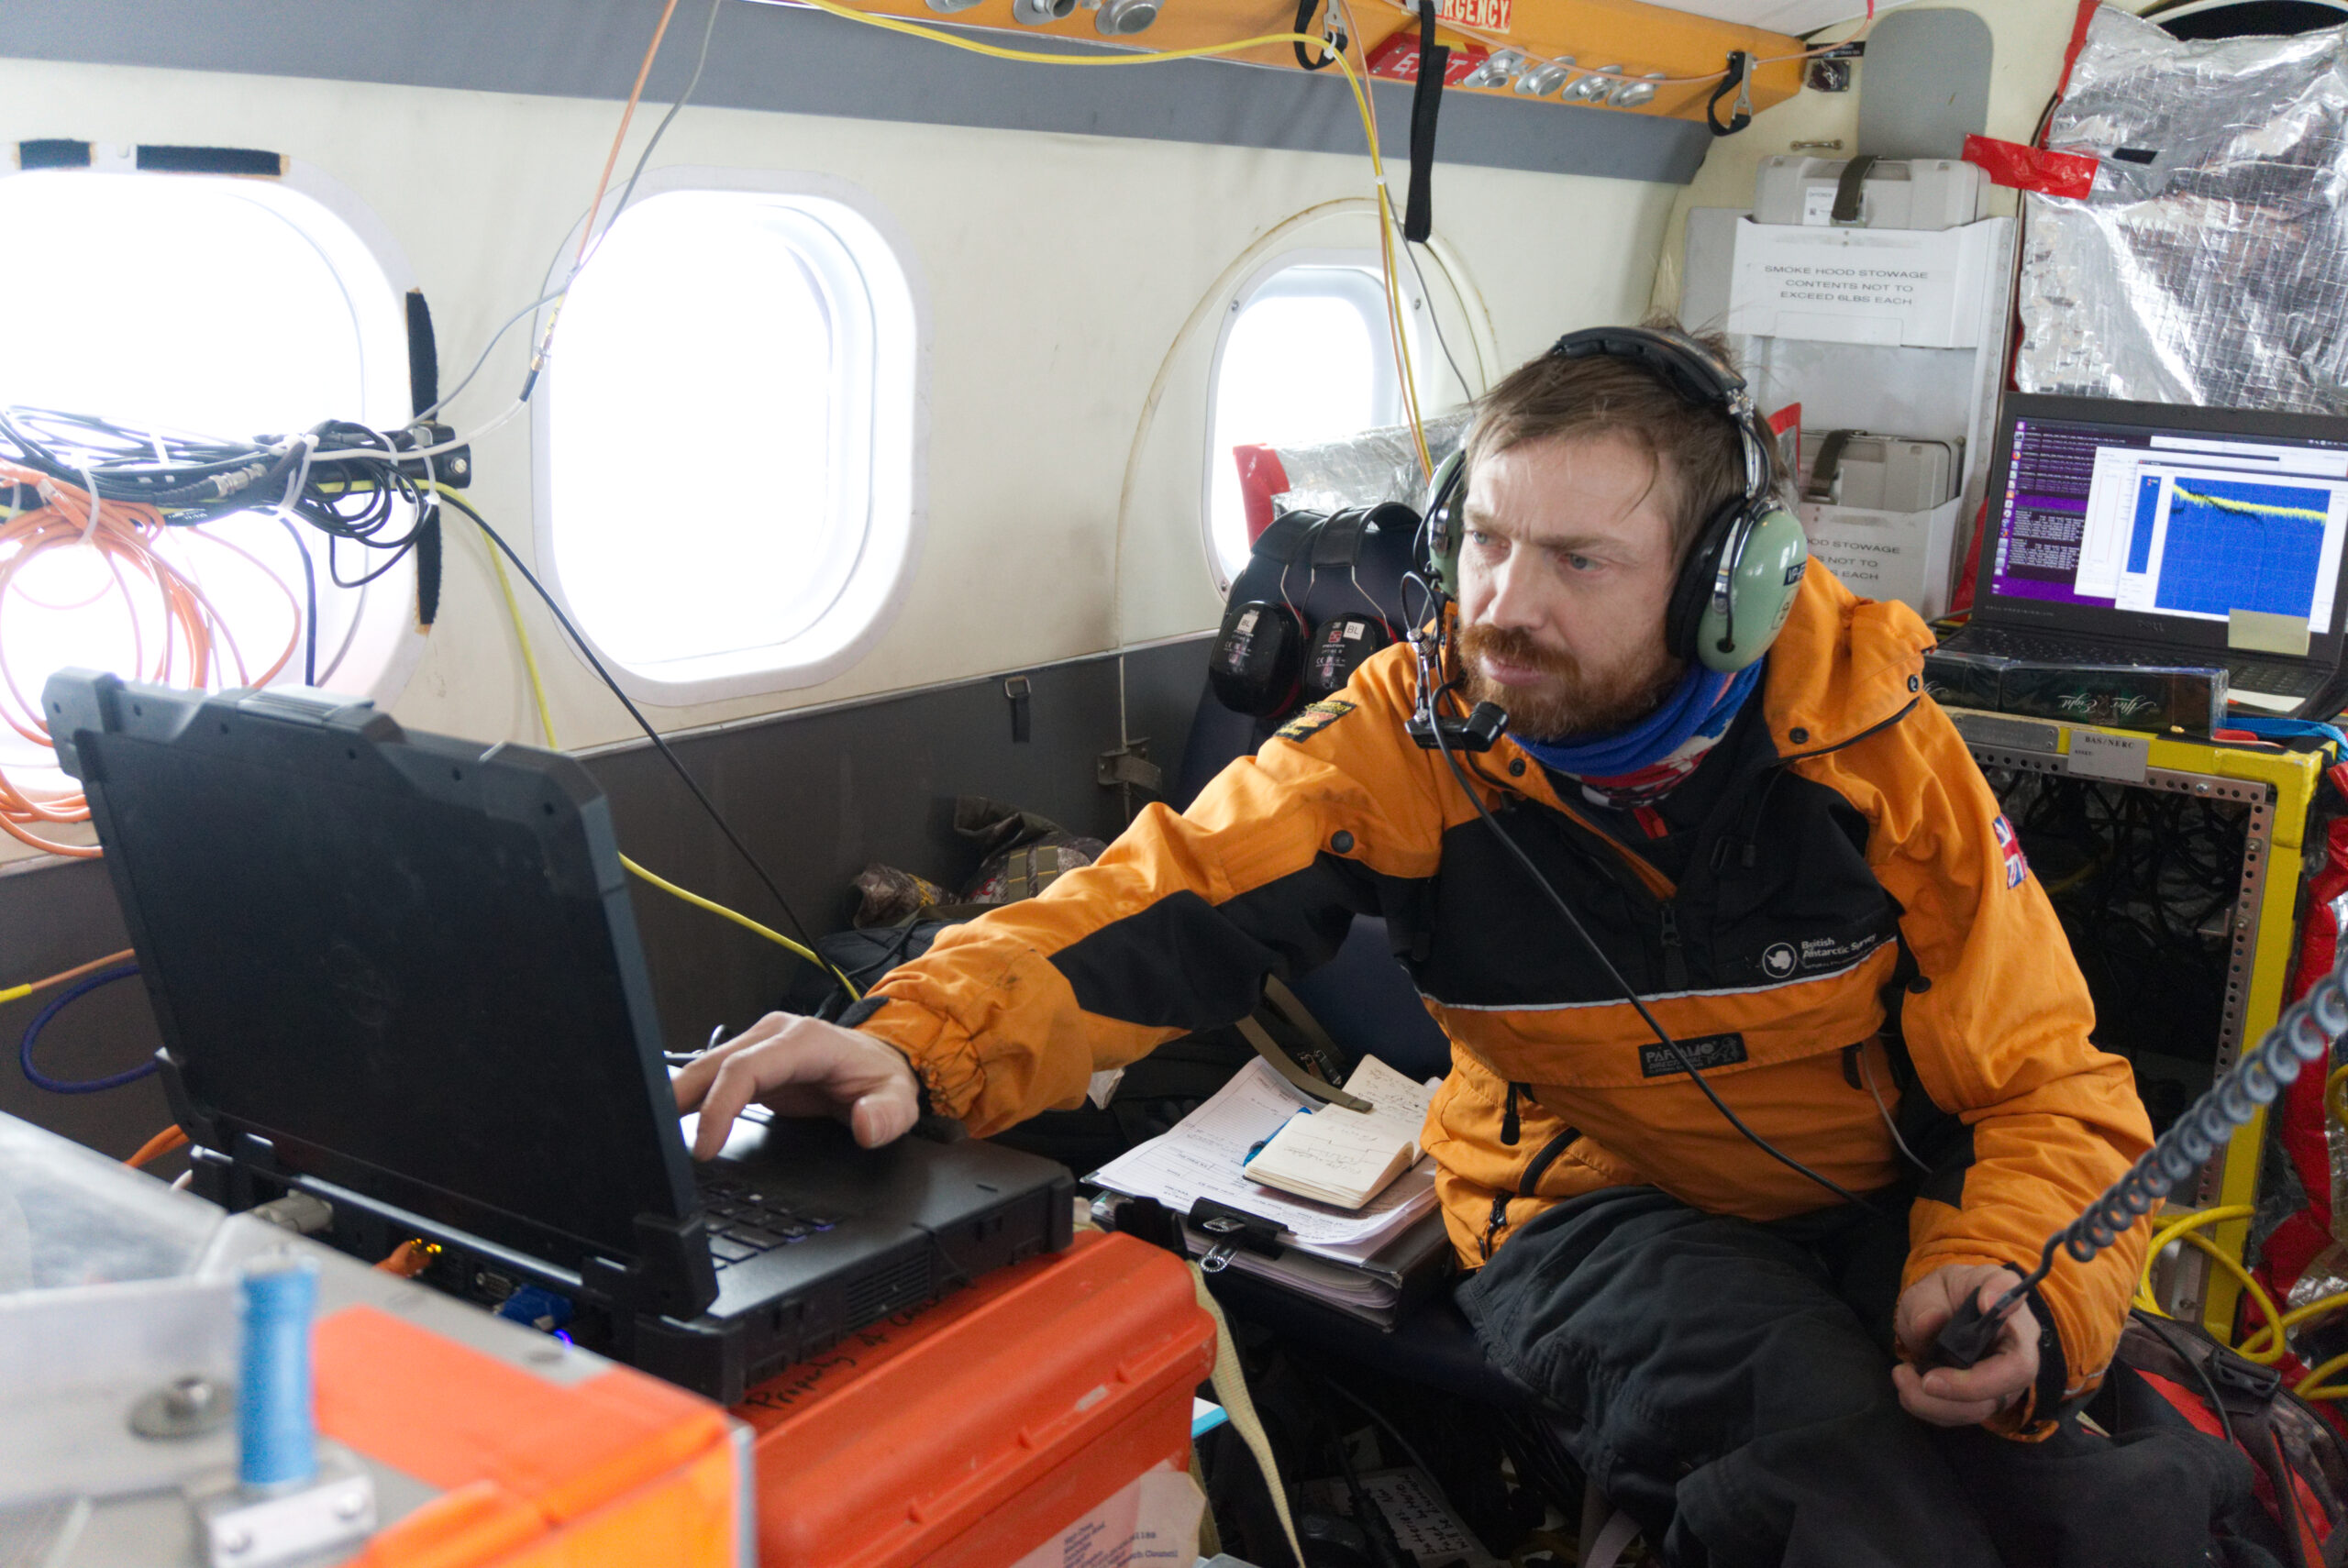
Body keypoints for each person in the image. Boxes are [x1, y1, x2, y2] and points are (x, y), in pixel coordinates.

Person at [676, 324, 2160, 1566]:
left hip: (1876, 1196)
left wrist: (2010, 1272)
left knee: (2075, 1470)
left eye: (1579, 561)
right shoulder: (1414, 726)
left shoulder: (1878, 759)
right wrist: (909, 1035)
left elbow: (2048, 1086)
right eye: (1490, 544)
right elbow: (1166, 891)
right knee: (1829, 1459)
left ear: (1731, 589)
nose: (1504, 610)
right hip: (1581, 1192)